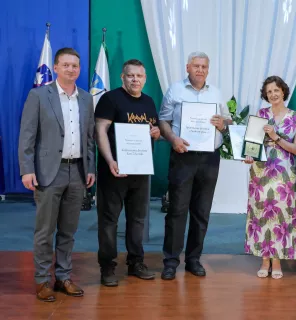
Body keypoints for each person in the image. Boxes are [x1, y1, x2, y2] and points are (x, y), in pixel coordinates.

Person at [18, 48, 95, 302]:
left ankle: (63, 277)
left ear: (79, 69)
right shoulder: (39, 95)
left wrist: (90, 167)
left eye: (75, 65)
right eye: (66, 65)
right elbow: (27, 136)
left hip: (78, 172)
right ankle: (42, 281)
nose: (71, 69)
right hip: (48, 172)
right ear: (56, 67)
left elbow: (90, 138)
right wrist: (27, 169)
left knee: (68, 231)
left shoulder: (85, 99)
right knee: (45, 231)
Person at [158, 51, 232, 280]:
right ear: (188, 67)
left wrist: (223, 124)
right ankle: (170, 261)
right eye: (196, 66)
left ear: (208, 70)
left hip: (210, 157)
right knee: (177, 210)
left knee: (201, 211)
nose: (200, 70)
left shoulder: (217, 93)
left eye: (204, 67)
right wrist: (173, 139)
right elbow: (163, 120)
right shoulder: (175, 90)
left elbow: (227, 121)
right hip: (183, 155)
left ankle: (193, 259)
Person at [95, 59, 161, 286]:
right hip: (114, 171)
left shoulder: (149, 102)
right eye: (131, 75)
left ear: (145, 79)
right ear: (122, 77)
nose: (135, 80)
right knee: (109, 220)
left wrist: (156, 132)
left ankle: (136, 262)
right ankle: (107, 267)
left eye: (139, 76)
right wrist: (110, 160)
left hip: (140, 172)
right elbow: (100, 130)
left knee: (137, 220)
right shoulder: (110, 99)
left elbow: (154, 129)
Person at [243, 76, 296, 279]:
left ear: (283, 91)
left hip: (284, 172)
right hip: (260, 172)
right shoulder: (260, 115)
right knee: (261, 214)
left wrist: (276, 137)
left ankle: (277, 259)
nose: (273, 94)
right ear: (265, 95)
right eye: (269, 92)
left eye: (276, 90)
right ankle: (264, 259)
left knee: (280, 216)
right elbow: (252, 144)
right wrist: (249, 155)